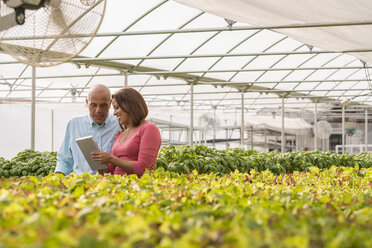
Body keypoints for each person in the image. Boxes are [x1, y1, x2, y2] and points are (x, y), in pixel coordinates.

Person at [91, 87, 161, 177]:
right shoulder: (120, 134)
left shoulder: (149, 129)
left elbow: (143, 169)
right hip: (117, 186)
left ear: (129, 105)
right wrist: (98, 161)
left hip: (136, 187)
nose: (114, 113)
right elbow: (109, 171)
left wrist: (111, 159)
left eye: (117, 108)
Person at [55, 84, 120, 175]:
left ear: (110, 104)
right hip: (82, 183)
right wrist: (57, 178)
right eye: (93, 105)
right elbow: (64, 160)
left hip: (112, 185)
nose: (98, 110)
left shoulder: (119, 124)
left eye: (103, 106)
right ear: (87, 102)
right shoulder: (74, 125)